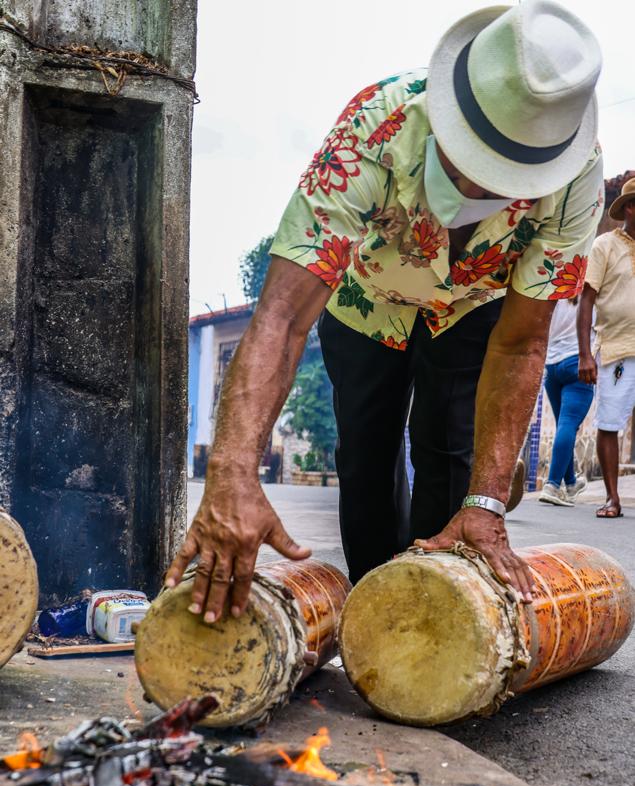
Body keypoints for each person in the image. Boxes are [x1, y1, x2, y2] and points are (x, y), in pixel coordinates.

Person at [167, 1, 604, 620]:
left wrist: (486, 503)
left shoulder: (577, 173)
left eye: (504, 176)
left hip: (473, 306)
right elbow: (283, 318)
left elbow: (522, 342)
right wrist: (232, 472)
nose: (477, 190)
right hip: (365, 299)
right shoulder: (378, 124)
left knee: (450, 457)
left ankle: (438, 612)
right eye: (472, 162)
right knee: (366, 457)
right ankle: (374, 612)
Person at [579, 177, 635, 518]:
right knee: (610, 421)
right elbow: (587, 299)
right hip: (617, 350)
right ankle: (613, 498)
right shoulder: (604, 245)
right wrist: (585, 354)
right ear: (629, 208)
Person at [539, 298, 594, 506]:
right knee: (568, 424)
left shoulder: (555, 290)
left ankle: (570, 483)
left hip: (552, 365)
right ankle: (552, 485)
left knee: (564, 426)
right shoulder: (588, 292)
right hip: (578, 362)